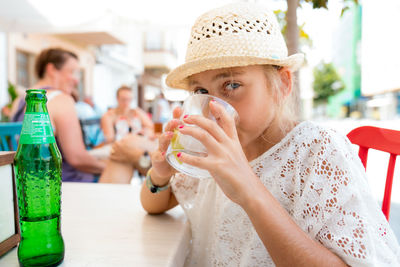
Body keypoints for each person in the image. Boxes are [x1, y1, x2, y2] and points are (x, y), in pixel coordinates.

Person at [140, 3, 400, 266]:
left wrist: (248, 188)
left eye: (232, 85)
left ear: (282, 84)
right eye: (200, 92)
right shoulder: (210, 152)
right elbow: (154, 204)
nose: (214, 109)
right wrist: (160, 173)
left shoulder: (316, 151)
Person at [11, 48, 105, 182]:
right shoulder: (60, 99)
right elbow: (77, 158)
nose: (76, 80)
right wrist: (106, 166)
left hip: (24, 184)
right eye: (72, 72)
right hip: (57, 185)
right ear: (51, 69)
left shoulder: (19, 101)